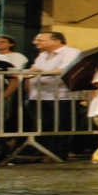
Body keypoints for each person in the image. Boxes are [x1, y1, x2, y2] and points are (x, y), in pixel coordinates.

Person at [23, 32, 82, 161]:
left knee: (60, 126)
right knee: (42, 125)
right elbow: (34, 69)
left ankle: (58, 153)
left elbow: (65, 69)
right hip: (38, 95)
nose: (36, 42)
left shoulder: (71, 52)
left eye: (40, 40)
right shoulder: (43, 55)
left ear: (57, 41)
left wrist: (40, 73)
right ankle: (44, 151)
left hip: (60, 96)